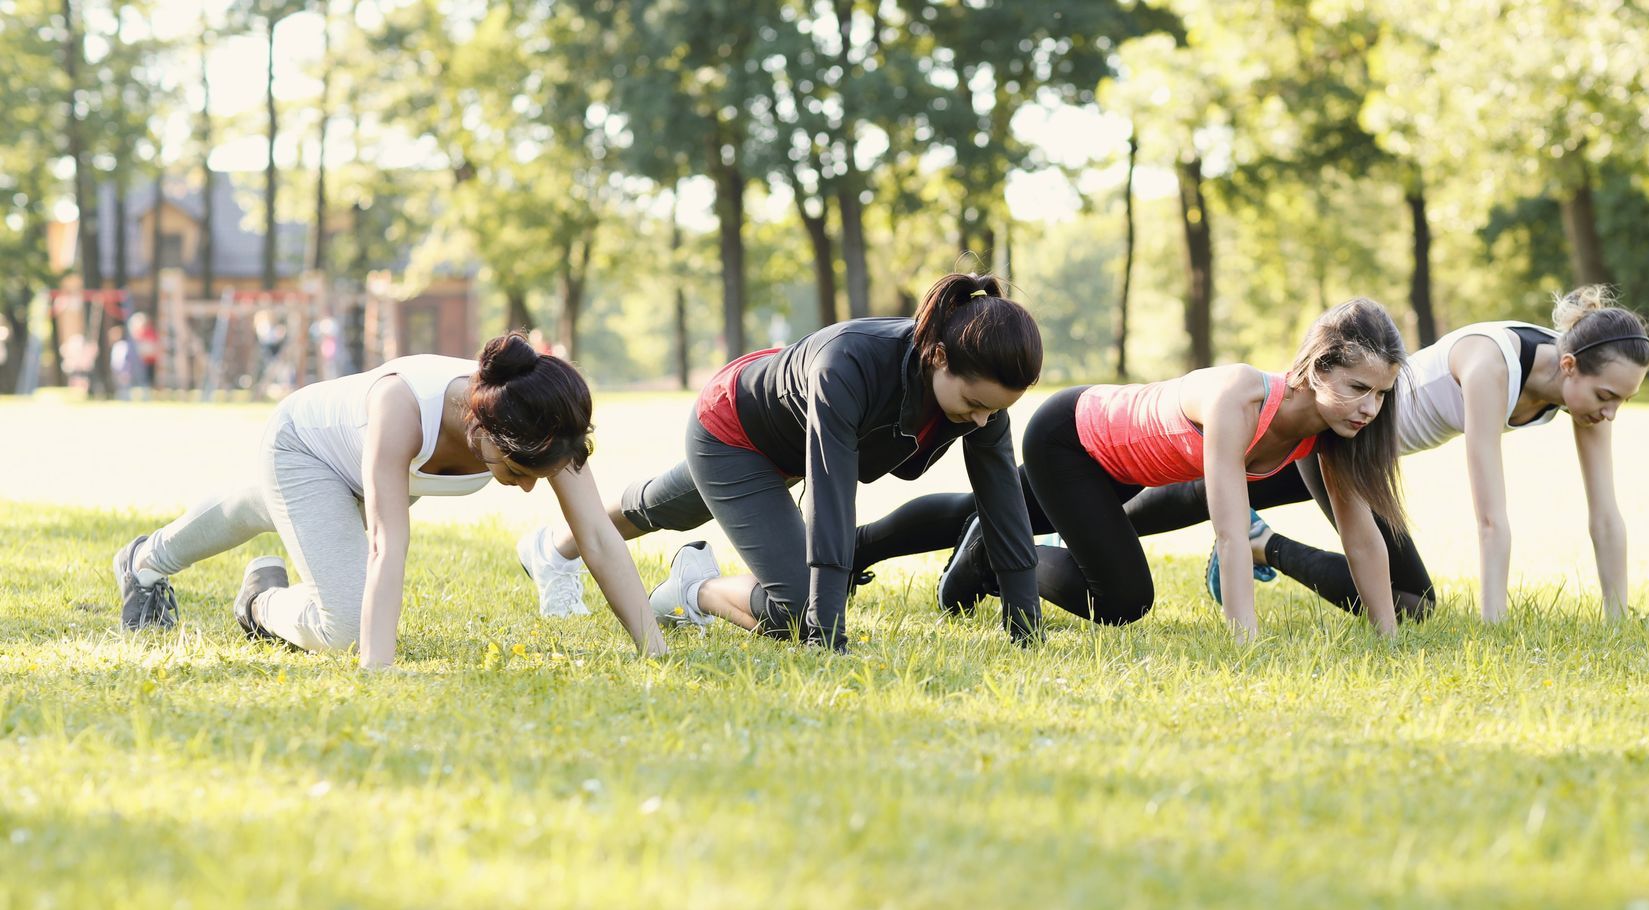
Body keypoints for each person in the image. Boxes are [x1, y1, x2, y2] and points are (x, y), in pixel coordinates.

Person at [517, 273, 1046, 648]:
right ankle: (684, 587)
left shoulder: (979, 401)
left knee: (667, 504)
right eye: (974, 405)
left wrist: (1025, 624)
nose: (982, 421)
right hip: (732, 428)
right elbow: (832, 499)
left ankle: (573, 554)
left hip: (792, 438)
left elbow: (1003, 504)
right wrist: (827, 632)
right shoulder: (851, 364)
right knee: (797, 611)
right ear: (938, 357)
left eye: (994, 410)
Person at [863, 299, 1410, 642]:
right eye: (1358, 388)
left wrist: (1386, 637)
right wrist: (1245, 640)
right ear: (1315, 369)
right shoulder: (1240, 397)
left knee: (978, 510)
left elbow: (1363, 540)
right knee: (1124, 600)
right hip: (1072, 439)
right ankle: (955, 549)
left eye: (1381, 394)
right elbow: (1229, 530)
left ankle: (986, 547)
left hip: (1121, 466)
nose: (1370, 407)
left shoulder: (1335, 435)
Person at [112, 334, 669, 669]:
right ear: (479, 428)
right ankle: (249, 600)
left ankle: (156, 562)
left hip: (353, 468)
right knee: (344, 626)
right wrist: (376, 667)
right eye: (518, 473)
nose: (529, 487)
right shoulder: (405, 406)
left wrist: (654, 651)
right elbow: (386, 546)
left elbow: (597, 536)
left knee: (256, 508)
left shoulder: (547, 424)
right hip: (304, 447)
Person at [1119, 286, 1649, 623]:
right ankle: (1066, 519)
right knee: (1205, 488)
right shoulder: (1495, 365)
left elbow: (1605, 514)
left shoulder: (1587, 392)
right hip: (1338, 436)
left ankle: (1258, 542)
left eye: (1622, 401)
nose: (1610, 414)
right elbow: (1491, 519)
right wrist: (1495, 624)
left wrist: (1617, 617)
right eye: (1607, 398)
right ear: (1568, 366)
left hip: (1363, 448)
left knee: (1214, 490)